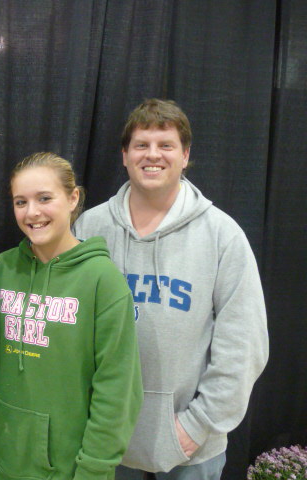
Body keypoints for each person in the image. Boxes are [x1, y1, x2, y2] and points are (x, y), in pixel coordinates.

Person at [73, 98, 269, 480]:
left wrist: (197, 426)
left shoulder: (222, 235)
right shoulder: (90, 228)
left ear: (185, 155)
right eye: (141, 145)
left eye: (166, 145)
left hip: (191, 449)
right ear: (125, 155)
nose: (153, 155)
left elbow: (244, 345)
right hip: (105, 440)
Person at [0, 152, 143, 480]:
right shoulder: (2, 268)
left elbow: (118, 389)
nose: (32, 212)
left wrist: (94, 470)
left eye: (44, 198)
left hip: (69, 470)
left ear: (73, 199)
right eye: (21, 202)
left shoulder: (103, 281)